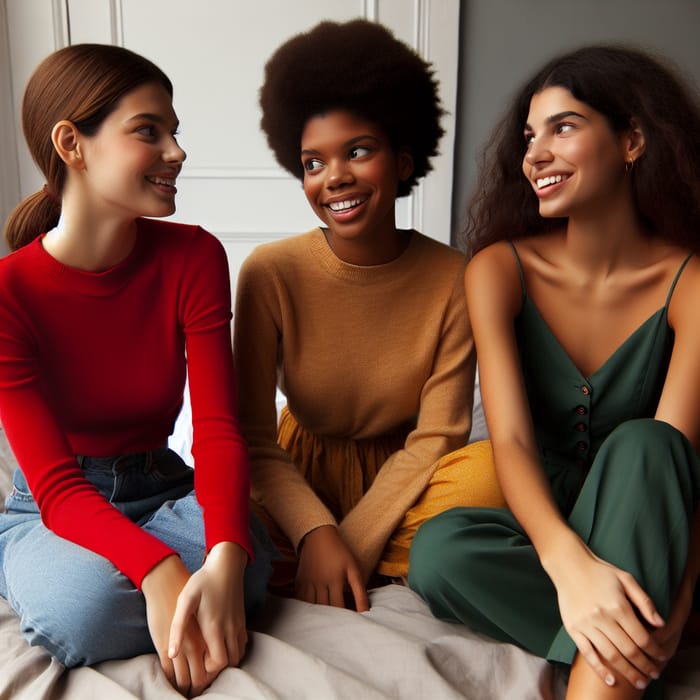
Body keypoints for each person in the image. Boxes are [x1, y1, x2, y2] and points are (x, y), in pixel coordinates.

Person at [408, 44, 700, 699]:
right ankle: (625, 631)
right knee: (440, 554)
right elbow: (509, 441)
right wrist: (570, 569)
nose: (534, 154)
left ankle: (598, 677)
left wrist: (675, 613)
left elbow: (679, 468)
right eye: (529, 136)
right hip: (548, 528)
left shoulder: (692, 281)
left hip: (661, 524)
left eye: (562, 127)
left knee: (646, 442)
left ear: (632, 141)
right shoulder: (498, 269)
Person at [0, 44, 274, 697]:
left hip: (166, 488)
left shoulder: (196, 256)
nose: (176, 151)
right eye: (149, 131)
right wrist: (156, 571)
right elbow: (58, 488)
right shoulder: (9, 293)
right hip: (54, 509)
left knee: (252, 555)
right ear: (73, 143)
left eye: (174, 131)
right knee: (86, 607)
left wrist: (227, 559)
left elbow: (216, 431)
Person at [234, 18, 503, 613]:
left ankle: (335, 567)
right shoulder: (269, 271)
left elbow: (440, 434)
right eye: (313, 163)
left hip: (406, 474)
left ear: (403, 160)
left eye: (358, 151)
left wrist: (348, 542)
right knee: (220, 515)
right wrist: (313, 531)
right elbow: (252, 436)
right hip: (295, 473)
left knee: (494, 474)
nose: (336, 177)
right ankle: (332, 559)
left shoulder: (456, 276)